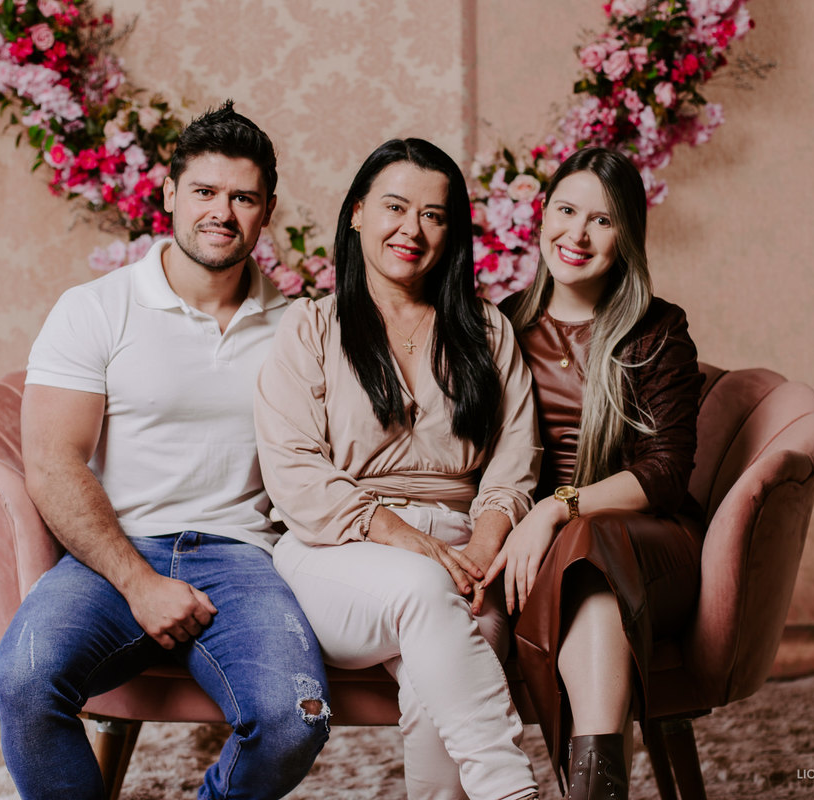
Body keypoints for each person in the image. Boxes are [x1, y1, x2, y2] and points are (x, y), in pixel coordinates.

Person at [0, 101, 330, 800]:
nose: (222, 213)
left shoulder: (302, 326)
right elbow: (53, 463)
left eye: (243, 198)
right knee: (23, 681)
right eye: (205, 191)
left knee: (295, 719)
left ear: (266, 211)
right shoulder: (95, 307)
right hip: (113, 550)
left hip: (244, 557)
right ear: (170, 193)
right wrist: (138, 583)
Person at [254, 138, 540, 800]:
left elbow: (515, 459)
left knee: (443, 686)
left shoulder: (486, 330)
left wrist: (484, 549)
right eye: (394, 207)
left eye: (433, 215)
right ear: (357, 213)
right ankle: (512, 790)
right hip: (334, 552)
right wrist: (406, 538)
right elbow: (293, 470)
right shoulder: (310, 327)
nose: (412, 228)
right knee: (422, 591)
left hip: (464, 556)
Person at [485, 147, 705, 800]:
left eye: (602, 220)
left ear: (627, 236)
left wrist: (557, 508)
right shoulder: (501, 325)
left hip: (645, 542)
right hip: (539, 554)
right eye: (566, 210)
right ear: (542, 215)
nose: (577, 234)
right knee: (580, 554)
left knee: (588, 542)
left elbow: (666, 471)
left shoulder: (658, 329)